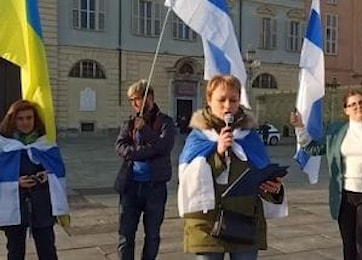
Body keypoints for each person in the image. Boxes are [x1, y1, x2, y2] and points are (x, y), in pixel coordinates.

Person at [177, 75, 287, 260]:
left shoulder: (249, 136)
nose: (228, 105)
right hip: (208, 225)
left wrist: (274, 189)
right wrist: (219, 153)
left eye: (233, 100)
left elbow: (260, 174)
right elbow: (189, 181)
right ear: (209, 100)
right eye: (221, 99)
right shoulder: (198, 137)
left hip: (244, 221)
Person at [290, 90, 362, 260]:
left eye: (361, 102)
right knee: (349, 248)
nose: (358, 106)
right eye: (352, 104)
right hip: (344, 198)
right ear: (345, 110)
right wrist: (299, 127)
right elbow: (313, 148)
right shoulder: (335, 130)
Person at [114, 79, 176, 260]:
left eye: (137, 99)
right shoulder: (130, 122)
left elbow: (164, 147)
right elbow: (120, 146)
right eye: (131, 100)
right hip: (130, 186)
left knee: (152, 235)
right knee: (126, 235)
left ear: (149, 97)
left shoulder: (166, 122)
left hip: (154, 187)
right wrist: (145, 152)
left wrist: (145, 131)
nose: (134, 103)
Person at [0, 99, 69, 260]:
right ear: (13, 120)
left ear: (35, 119)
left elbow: (58, 169)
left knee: (47, 251)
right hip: (14, 205)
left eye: (29, 118)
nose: (25, 122)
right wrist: (16, 182)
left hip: (42, 205)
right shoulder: (4, 144)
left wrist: (47, 175)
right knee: (15, 252)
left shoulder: (45, 143)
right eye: (20, 118)